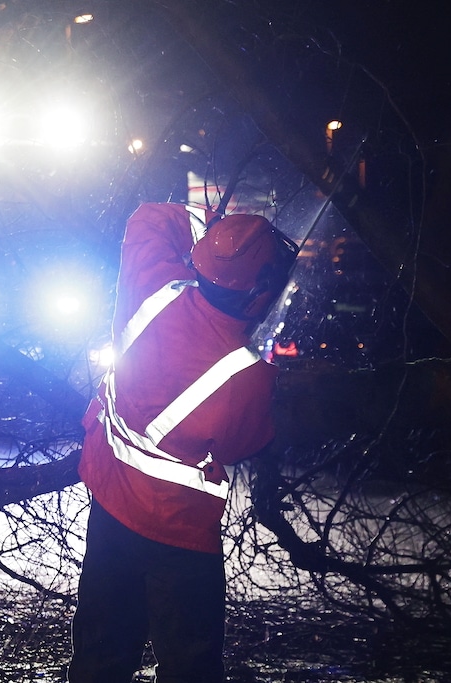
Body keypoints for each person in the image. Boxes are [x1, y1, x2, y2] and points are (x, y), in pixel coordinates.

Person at [68, 201, 299, 683]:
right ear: (258, 297)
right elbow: (241, 444)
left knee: (101, 654)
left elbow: (151, 217)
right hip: (180, 533)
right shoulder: (248, 378)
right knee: (190, 665)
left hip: (109, 501)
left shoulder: (152, 286)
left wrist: (217, 232)